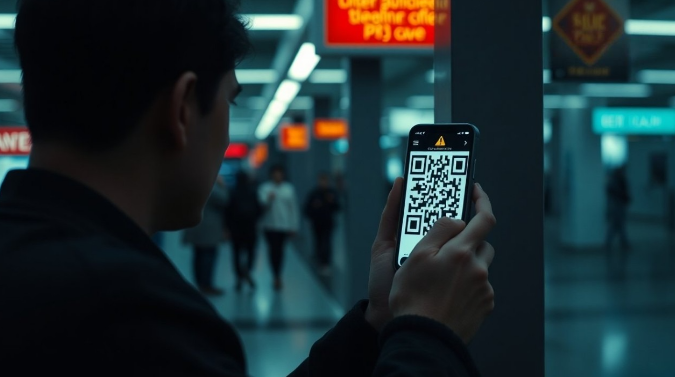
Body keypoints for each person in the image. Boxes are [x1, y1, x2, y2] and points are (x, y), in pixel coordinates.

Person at [0, 0, 497, 375]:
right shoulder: (132, 320)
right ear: (182, 109)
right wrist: (429, 334)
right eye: (230, 103)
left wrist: (379, 324)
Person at [183, 176, 229, 295]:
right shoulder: (211, 187)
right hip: (209, 229)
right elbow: (224, 199)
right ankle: (206, 285)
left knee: (198, 256)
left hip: (197, 227)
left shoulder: (194, 185)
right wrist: (222, 186)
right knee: (208, 257)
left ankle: (200, 284)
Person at [258, 164, 299, 290]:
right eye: (275, 173)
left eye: (280, 173)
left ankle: (278, 275)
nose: (277, 175)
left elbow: (293, 208)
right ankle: (275, 276)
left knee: (280, 251)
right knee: (273, 250)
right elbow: (261, 205)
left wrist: (294, 226)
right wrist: (269, 199)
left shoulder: (289, 189)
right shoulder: (265, 188)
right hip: (269, 226)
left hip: (284, 226)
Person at [226, 170, 262, 291]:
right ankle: (247, 270)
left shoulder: (233, 192)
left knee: (236, 254)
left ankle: (239, 277)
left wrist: (227, 228)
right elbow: (259, 210)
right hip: (250, 228)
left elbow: (228, 212)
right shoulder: (253, 192)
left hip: (236, 229)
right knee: (251, 252)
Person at [304, 172, 341, 275]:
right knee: (318, 242)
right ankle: (320, 261)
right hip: (317, 223)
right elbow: (307, 209)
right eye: (321, 180)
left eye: (325, 181)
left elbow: (338, 207)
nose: (323, 183)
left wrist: (331, 202)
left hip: (328, 223)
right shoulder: (314, 194)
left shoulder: (332, 193)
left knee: (327, 242)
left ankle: (326, 263)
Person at [606, 165, 631, 251]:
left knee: (617, 225)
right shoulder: (616, 181)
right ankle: (622, 243)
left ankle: (620, 243)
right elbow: (614, 192)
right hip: (617, 205)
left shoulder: (618, 180)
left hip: (619, 205)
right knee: (618, 225)